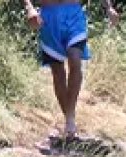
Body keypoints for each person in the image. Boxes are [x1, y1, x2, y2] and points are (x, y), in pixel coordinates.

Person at [22, 0, 119, 146]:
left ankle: (70, 119)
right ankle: (69, 121)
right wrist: (30, 9)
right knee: (58, 72)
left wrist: (109, 8)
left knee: (75, 60)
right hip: (48, 17)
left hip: (74, 15)